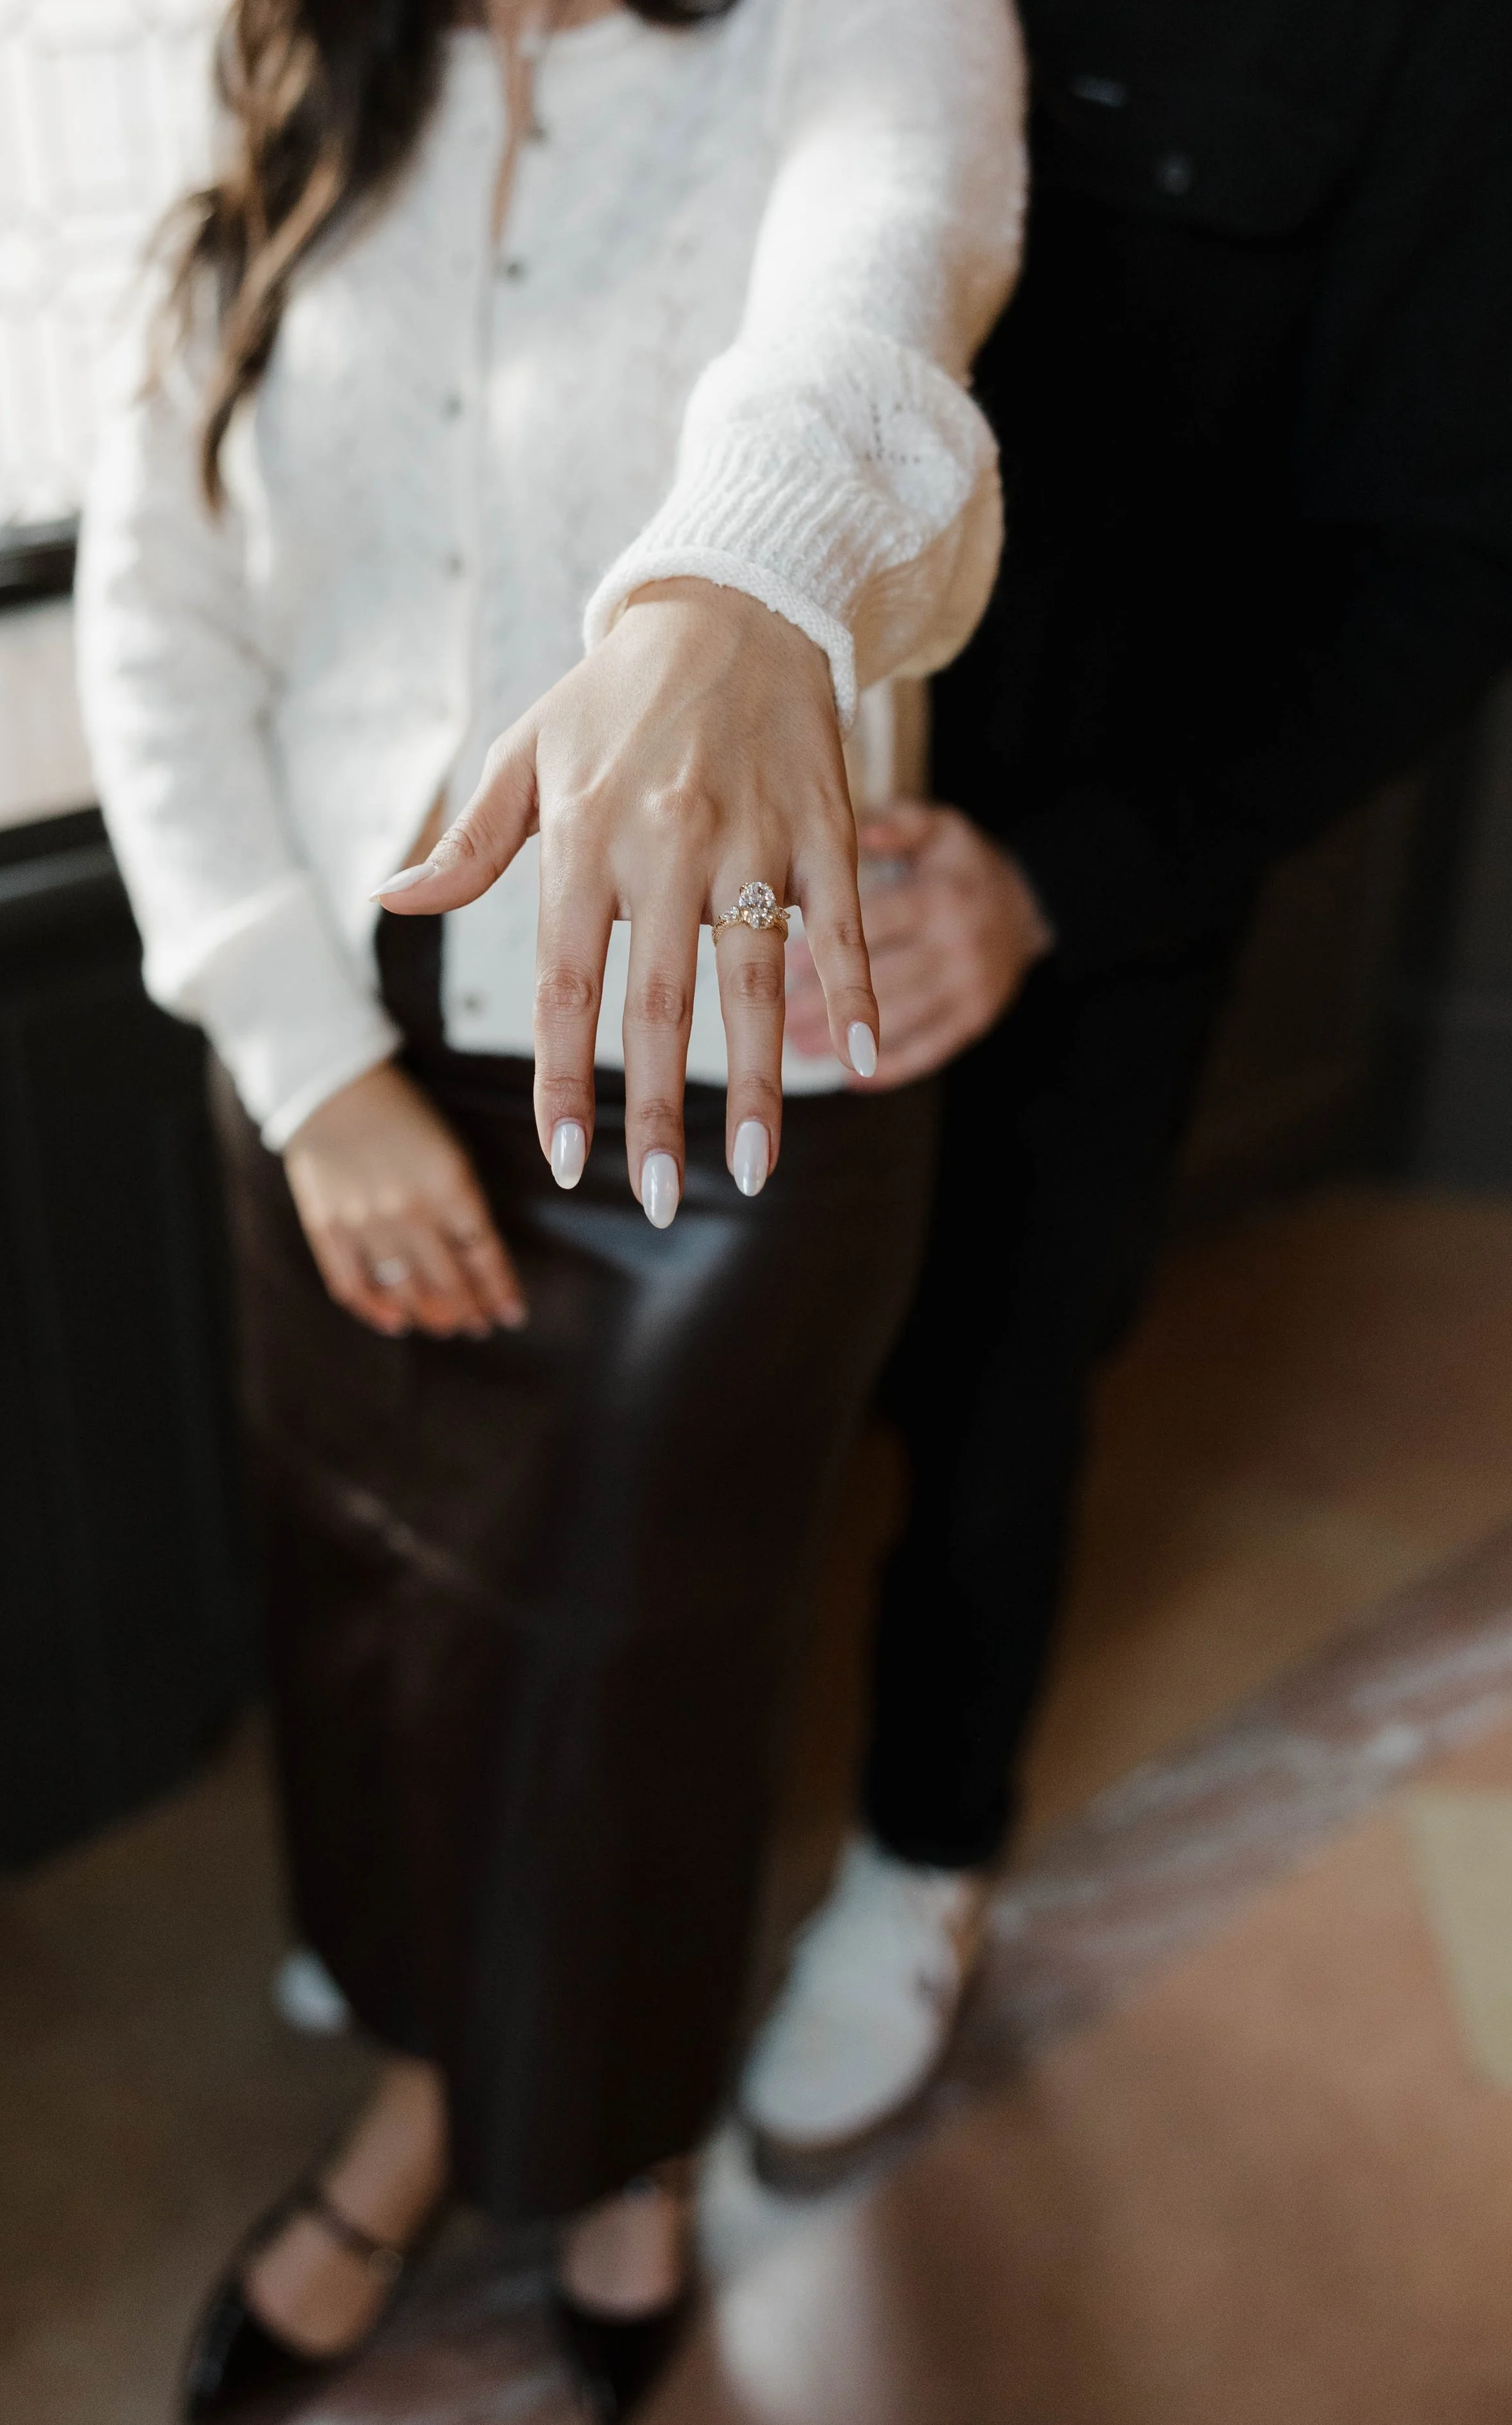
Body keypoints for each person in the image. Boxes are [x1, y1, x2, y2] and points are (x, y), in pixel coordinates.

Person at [75, 0, 1024, 2413]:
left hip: (718, 1086)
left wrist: (728, 583)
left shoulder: (862, 27)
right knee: (379, 1635)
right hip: (342, 1049)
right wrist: (309, 1075)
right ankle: (427, 2093)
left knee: (637, 1674)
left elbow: (880, 291)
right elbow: (158, 630)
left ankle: (606, 2146)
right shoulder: (296, 95)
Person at [738, 0, 1512, 2170]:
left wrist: (1050, 885)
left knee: (1001, 1382)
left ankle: (919, 1863)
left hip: (1079, 862)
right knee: (690, 1354)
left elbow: (1438, 569)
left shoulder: (1425, 47)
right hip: (758, 786)